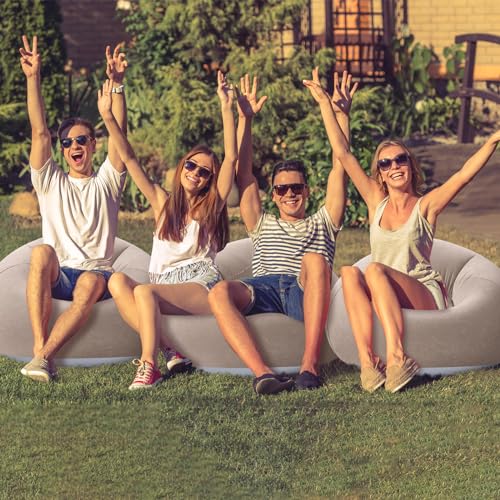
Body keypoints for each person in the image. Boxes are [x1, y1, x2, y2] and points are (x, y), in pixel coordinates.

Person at [303, 70, 500, 393]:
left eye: (400, 160)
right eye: (386, 163)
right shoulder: (375, 202)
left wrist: (492, 140)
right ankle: (369, 363)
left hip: (423, 294)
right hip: (384, 289)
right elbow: (343, 153)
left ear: (410, 165)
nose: (394, 166)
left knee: (375, 270)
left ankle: (397, 357)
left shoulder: (426, 206)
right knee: (350, 272)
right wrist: (327, 105)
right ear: (380, 174)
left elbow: (463, 176)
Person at [208, 71, 357, 395]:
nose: (289, 194)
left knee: (315, 260)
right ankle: (263, 374)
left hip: (303, 290)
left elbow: (341, 166)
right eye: (281, 189)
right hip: (262, 288)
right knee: (218, 292)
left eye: (296, 188)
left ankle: (309, 366)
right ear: (273, 195)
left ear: (307, 191)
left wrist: (339, 114)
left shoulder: (324, 221)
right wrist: (246, 119)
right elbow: (244, 173)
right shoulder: (261, 222)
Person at [97, 71, 237, 390]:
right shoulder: (162, 202)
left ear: (210, 180)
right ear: (182, 165)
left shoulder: (211, 206)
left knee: (144, 291)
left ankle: (149, 366)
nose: (196, 173)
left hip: (199, 283)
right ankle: (171, 350)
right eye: (191, 165)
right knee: (117, 281)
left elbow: (231, 158)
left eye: (204, 172)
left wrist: (226, 107)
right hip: (164, 285)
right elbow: (128, 157)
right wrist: (107, 116)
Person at [20, 36, 129, 382]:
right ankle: (40, 349)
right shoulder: (50, 181)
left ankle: (43, 357)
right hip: (61, 273)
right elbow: (40, 133)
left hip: (96, 273)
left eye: (82, 140)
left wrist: (116, 85)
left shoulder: (108, 181)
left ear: (93, 145)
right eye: (67, 143)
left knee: (89, 283)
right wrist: (33, 77)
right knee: (40, 252)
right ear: (63, 150)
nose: (74, 146)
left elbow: (121, 136)